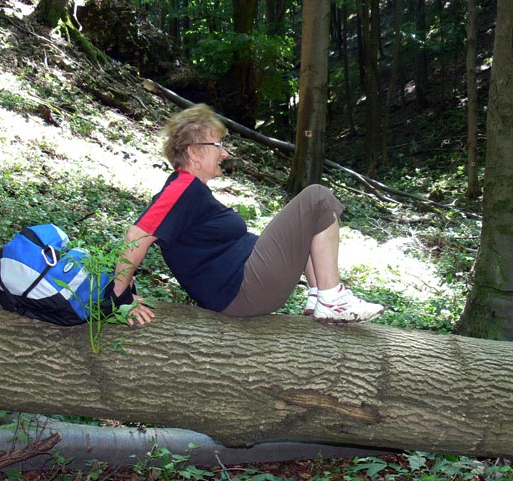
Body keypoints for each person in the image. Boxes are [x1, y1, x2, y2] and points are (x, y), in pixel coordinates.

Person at [112, 104, 384, 326]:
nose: (225, 153)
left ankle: (320, 295)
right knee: (317, 198)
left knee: (311, 216)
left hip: (247, 285)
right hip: (243, 289)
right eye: (218, 145)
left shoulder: (190, 191)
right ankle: (331, 299)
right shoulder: (181, 188)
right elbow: (137, 235)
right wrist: (119, 295)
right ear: (194, 152)